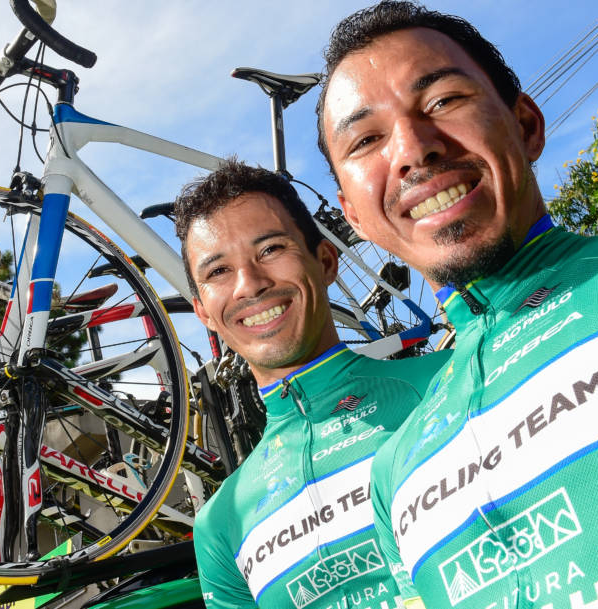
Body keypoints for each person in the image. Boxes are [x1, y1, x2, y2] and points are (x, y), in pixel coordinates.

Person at [316, 0, 598, 608]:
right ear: (353, 216)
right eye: (366, 139)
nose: (412, 149)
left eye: (443, 101)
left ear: (528, 125)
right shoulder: (393, 475)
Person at [177, 159, 452, 609]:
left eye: (271, 249)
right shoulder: (220, 525)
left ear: (326, 261)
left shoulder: (453, 379)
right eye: (218, 271)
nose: (250, 285)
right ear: (203, 312)